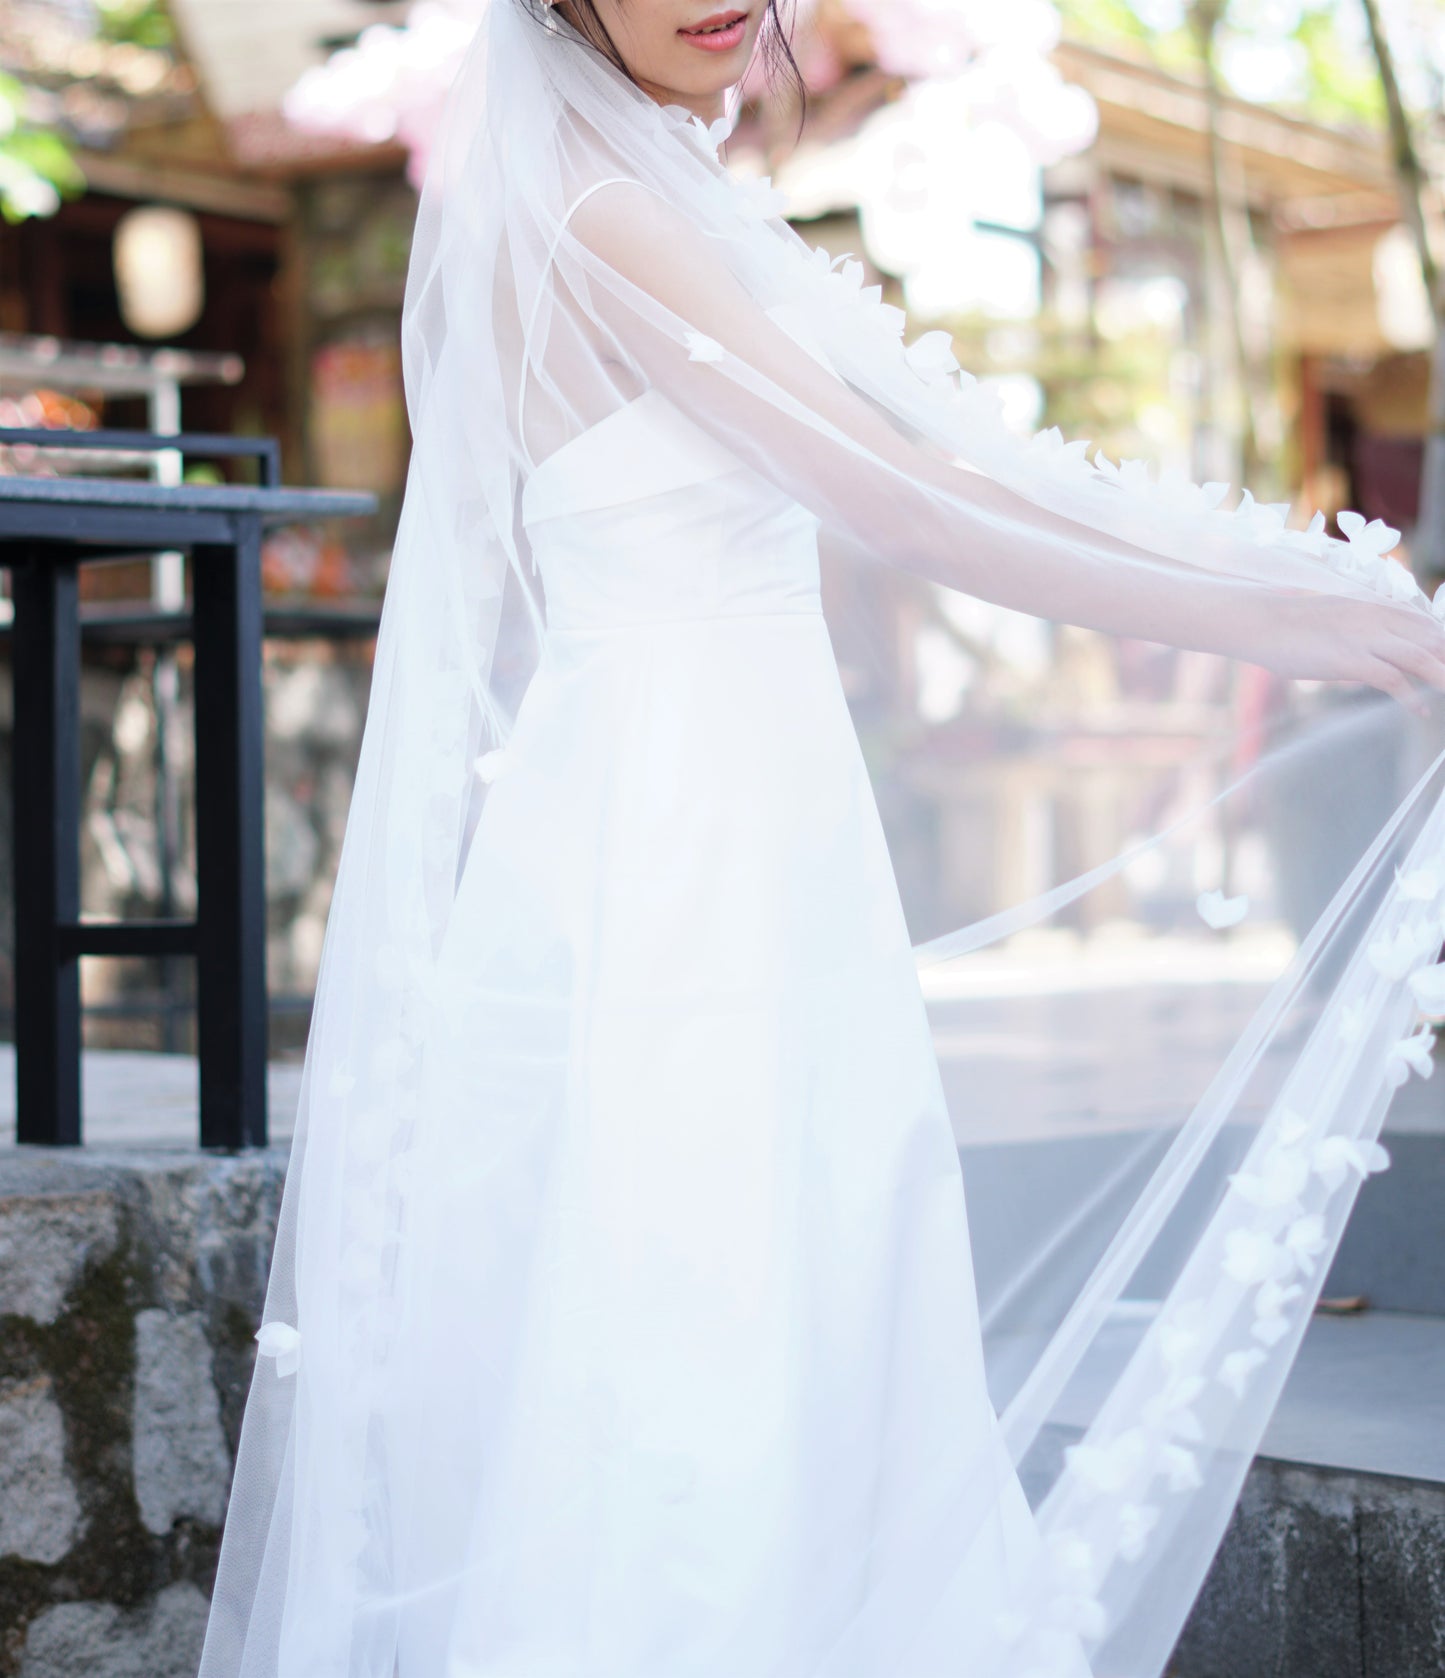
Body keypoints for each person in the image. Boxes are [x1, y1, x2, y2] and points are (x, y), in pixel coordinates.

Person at [198, 5, 1445, 1675]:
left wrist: (1288, 592)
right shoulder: (603, 214)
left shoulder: (615, 184)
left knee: (788, 1323)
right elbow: (912, 497)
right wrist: (1293, 624)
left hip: (720, 824)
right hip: (679, 862)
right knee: (708, 1343)